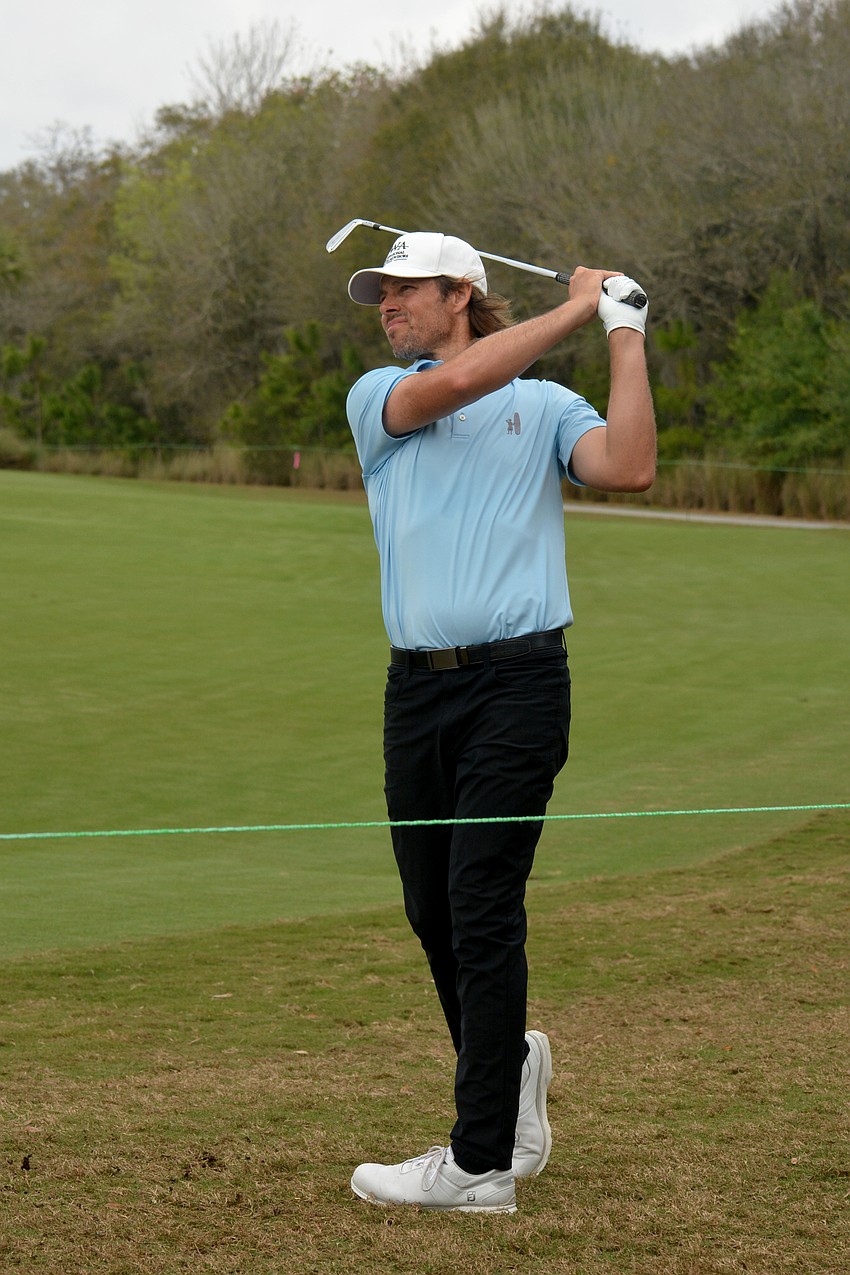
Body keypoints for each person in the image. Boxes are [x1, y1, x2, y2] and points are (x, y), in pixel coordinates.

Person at [343, 231, 655, 1213]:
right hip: (415, 692)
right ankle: (507, 1062)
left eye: (404, 290)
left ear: (460, 293)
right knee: (432, 910)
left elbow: (626, 467)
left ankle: (479, 1163)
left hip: (519, 685)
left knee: (479, 901)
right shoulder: (377, 398)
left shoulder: (545, 405)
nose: (386, 307)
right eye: (381, 294)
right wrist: (567, 307)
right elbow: (448, 388)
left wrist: (623, 333)